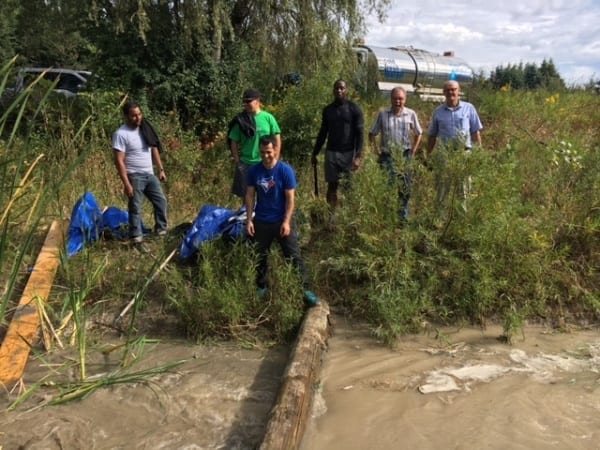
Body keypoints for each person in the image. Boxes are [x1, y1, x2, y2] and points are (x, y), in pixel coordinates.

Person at [245, 136, 319, 306]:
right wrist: (249, 220)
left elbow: (290, 199)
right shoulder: (253, 171)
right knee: (259, 256)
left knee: (293, 255)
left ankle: (305, 289)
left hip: (281, 221)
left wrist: (286, 222)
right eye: (262, 153)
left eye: (269, 152)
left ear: (276, 150)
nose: (265, 156)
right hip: (261, 220)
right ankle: (261, 288)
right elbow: (249, 195)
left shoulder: (285, 171)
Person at [112, 101, 168, 251]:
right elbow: (119, 160)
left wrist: (161, 169)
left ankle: (161, 231)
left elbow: (154, 148)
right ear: (126, 116)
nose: (137, 118)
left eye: (139, 114)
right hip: (134, 175)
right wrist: (126, 184)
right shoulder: (121, 134)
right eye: (133, 116)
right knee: (136, 207)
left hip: (149, 174)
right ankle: (136, 239)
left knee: (161, 201)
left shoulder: (145, 129)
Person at [426, 80, 483, 212]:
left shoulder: (469, 108)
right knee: (442, 188)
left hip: (464, 153)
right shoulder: (438, 112)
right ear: (443, 93)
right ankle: (439, 220)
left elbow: (475, 132)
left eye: (453, 89)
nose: (451, 92)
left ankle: (462, 218)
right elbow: (432, 136)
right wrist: (428, 155)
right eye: (448, 90)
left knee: (463, 188)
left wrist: (478, 153)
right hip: (444, 154)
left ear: (459, 91)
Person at [369, 86, 423, 222]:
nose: (397, 101)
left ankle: (401, 217)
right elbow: (372, 133)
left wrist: (413, 151)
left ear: (405, 99)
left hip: (405, 156)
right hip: (387, 156)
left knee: (405, 188)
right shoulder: (382, 114)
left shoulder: (411, 114)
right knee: (387, 187)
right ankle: (387, 217)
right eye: (395, 98)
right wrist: (376, 152)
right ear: (391, 99)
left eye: (400, 98)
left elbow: (419, 133)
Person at [311, 79, 364, 211]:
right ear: (333, 91)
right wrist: (315, 152)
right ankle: (331, 215)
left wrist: (358, 156)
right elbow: (323, 133)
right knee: (332, 186)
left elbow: (360, 134)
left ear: (346, 90)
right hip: (331, 153)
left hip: (348, 153)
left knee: (348, 186)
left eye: (342, 88)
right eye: (336, 88)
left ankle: (350, 216)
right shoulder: (328, 110)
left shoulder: (354, 109)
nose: (339, 90)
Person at [228, 88, 281, 199]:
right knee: (246, 196)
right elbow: (233, 141)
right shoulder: (240, 120)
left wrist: (275, 157)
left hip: (265, 163)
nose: (245, 104)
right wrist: (237, 160)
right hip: (245, 163)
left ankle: (263, 215)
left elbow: (277, 139)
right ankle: (248, 215)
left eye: (248, 101)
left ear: (257, 101)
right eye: (244, 102)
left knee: (266, 194)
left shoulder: (268, 118)